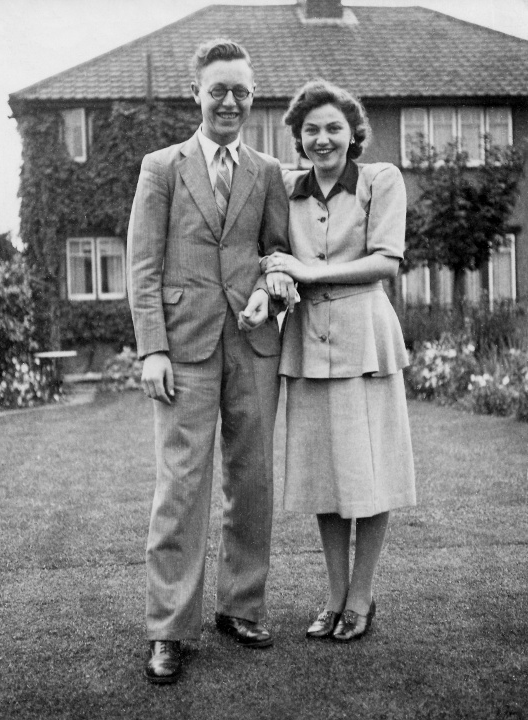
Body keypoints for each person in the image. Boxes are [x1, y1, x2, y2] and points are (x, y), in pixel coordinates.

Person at [127, 38, 294, 684]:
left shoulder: (268, 172)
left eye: (241, 92)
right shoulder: (161, 168)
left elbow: (277, 257)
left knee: (252, 481)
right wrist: (153, 349)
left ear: (253, 99)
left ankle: (242, 607)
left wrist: (267, 295)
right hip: (185, 349)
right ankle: (169, 628)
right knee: (182, 487)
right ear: (195, 93)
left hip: (252, 346)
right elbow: (143, 268)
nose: (230, 101)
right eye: (218, 89)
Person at [265, 79, 416, 643]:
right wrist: (276, 274)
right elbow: (269, 249)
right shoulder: (285, 187)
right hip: (306, 344)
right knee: (326, 479)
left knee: (370, 474)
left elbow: (386, 261)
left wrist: (307, 271)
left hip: (366, 341)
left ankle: (362, 596)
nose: (323, 139)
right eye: (311, 130)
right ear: (298, 139)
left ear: (353, 134)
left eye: (333, 128)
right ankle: (333, 596)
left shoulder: (381, 179)